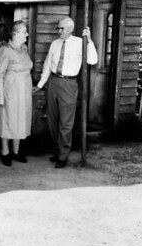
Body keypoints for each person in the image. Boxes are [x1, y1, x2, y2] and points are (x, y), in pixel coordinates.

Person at [34, 17, 98, 168]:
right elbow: (47, 64)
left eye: (62, 28)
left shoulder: (79, 42)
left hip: (69, 84)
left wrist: (89, 40)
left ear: (70, 29)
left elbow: (93, 60)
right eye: (58, 28)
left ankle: (63, 156)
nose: (59, 31)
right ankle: (57, 152)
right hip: (54, 83)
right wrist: (40, 84)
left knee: (66, 122)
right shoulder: (54, 44)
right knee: (52, 119)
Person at [0, 20, 33, 167]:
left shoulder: (24, 48)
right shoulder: (5, 50)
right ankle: (4, 152)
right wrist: (0, 95)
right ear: (16, 34)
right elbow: (0, 75)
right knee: (8, 120)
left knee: (20, 120)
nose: (27, 34)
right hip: (11, 90)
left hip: (24, 91)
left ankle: (16, 151)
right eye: (24, 32)